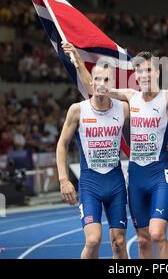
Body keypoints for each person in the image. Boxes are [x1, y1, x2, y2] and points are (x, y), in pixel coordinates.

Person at [62, 41, 168, 259]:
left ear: (156, 71)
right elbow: (94, 87)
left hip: (159, 176)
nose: (144, 75)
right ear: (135, 75)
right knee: (143, 239)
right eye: (139, 71)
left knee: (157, 234)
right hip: (136, 177)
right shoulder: (130, 96)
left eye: (148, 70)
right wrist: (78, 61)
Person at [56, 62, 129, 259]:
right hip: (90, 185)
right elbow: (62, 145)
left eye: (106, 79)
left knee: (119, 243)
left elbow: (139, 135)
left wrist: (164, 146)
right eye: (97, 78)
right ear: (91, 81)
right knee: (93, 240)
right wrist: (64, 180)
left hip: (115, 184)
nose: (101, 83)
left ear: (112, 83)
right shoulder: (78, 110)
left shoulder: (123, 109)